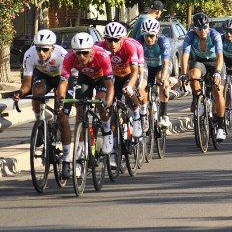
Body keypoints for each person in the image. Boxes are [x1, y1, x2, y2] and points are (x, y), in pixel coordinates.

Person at [57, 33, 115, 179]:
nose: (81, 56)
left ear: (91, 51)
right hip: (86, 78)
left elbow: (110, 86)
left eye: (85, 53)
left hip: (102, 78)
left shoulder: (102, 55)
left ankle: (107, 132)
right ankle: (78, 159)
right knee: (80, 113)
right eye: (78, 53)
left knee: (101, 105)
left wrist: (107, 104)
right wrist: (61, 100)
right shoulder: (69, 58)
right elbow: (63, 83)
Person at [13, 30, 70, 154]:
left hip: (61, 78)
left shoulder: (62, 55)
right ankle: (40, 124)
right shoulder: (29, 54)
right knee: (36, 91)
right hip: (43, 75)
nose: (41, 53)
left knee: (61, 115)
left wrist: (60, 101)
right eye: (38, 49)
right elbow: (27, 83)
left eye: (45, 49)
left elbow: (63, 83)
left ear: (52, 48)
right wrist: (21, 92)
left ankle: (66, 155)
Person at [180, 13, 227, 141]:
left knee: (218, 91)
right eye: (199, 28)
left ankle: (221, 127)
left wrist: (217, 72)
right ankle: (197, 100)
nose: (203, 31)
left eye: (205, 27)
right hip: (199, 62)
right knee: (193, 76)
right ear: (194, 28)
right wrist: (183, 73)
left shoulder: (215, 35)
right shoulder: (190, 36)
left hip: (214, 62)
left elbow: (219, 57)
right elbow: (185, 55)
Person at [97, 22, 147, 138]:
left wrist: (130, 86)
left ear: (122, 39)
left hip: (129, 74)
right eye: (109, 40)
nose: (113, 44)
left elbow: (136, 71)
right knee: (105, 102)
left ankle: (136, 117)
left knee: (129, 92)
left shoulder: (130, 46)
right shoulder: (100, 46)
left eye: (116, 40)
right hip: (112, 76)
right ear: (105, 39)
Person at [139, 18, 173, 127]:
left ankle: (164, 115)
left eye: (152, 36)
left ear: (157, 34)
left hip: (161, 65)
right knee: (142, 87)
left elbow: (165, 63)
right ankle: (146, 115)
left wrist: (163, 78)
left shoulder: (163, 41)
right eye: (146, 36)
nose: (149, 39)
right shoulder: (139, 41)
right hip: (146, 66)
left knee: (161, 79)